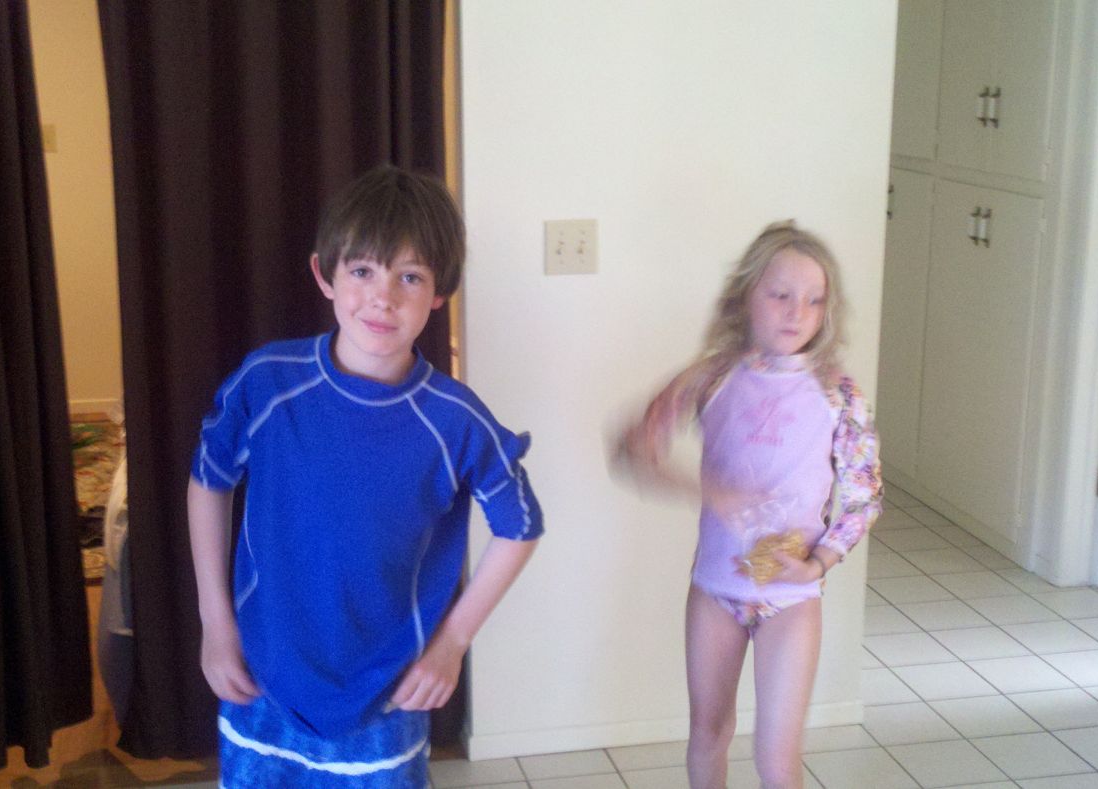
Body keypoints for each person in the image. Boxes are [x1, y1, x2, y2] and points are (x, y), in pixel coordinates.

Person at [187, 165, 543, 788]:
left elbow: (521, 526)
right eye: (362, 272)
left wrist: (452, 643)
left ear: (439, 292)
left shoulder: (454, 420)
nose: (383, 298)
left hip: (387, 689)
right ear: (324, 274)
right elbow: (209, 481)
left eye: (410, 277)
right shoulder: (267, 383)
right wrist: (216, 624)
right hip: (264, 672)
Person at [620, 221, 881, 789]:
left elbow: (864, 497)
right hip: (716, 590)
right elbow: (632, 448)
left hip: (792, 600)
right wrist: (705, 488)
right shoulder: (711, 377)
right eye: (780, 294)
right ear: (745, 296)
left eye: (814, 300)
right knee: (708, 734)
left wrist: (819, 562)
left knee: (778, 758)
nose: (796, 313)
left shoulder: (839, 393)